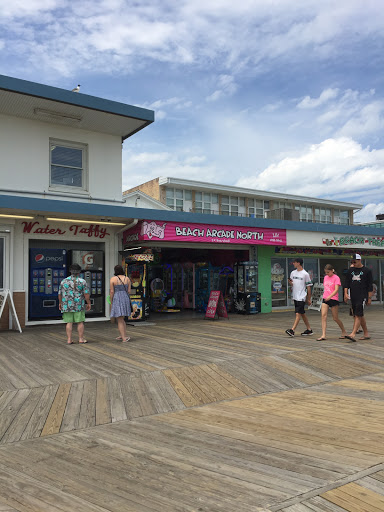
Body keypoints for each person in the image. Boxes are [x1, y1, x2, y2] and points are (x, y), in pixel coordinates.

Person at [58, 263, 91, 344]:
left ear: (70, 271)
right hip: (78, 305)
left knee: (69, 322)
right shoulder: (82, 281)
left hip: (66, 305)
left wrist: (60, 303)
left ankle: (69, 339)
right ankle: (81, 339)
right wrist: (89, 303)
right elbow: (86, 294)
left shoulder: (63, 281)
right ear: (79, 272)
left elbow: (60, 293)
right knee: (80, 322)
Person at [344, 253, 373, 342]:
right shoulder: (350, 270)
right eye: (352, 262)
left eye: (355, 261)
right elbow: (346, 283)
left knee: (358, 314)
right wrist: (345, 294)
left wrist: (369, 298)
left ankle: (353, 333)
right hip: (353, 295)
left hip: (362, 295)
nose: (353, 263)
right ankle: (366, 333)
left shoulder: (367, 271)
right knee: (359, 314)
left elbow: (369, 286)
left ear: (359, 260)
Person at [316, 264, 347, 341]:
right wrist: (325, 296)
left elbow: (336, 289)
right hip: (325, 298)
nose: (327, 274)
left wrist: (330, 296)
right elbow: (325, 288)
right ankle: (323, 334)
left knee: (335, 318)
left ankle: (343, 331)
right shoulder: (326, 277)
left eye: (328, 272)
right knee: (323, 316)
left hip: (333, 298)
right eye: (326, 272)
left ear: (332, 270)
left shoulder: (336, 278)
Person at [285, 258, 313, 337]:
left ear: (299, 263)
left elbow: (308, 287)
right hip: (295, 296)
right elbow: (293, 284)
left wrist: (309, 298)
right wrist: (290, 283)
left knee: (298, 314)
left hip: (302, 296)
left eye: (294, 262)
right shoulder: (293, 273)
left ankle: (292, 330)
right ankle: (309, 329)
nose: (293, 263)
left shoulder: (305, 274)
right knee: (302, 313)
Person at [110, 265, 132, 342]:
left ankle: (123, 338)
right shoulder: (127, 279)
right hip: (125, 297)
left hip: (117, 297)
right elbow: (129, 291)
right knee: (122, 318)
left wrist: (111, 300)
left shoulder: (113, 279)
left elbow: (112, 291)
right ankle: (123, 335)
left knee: (119, 319)